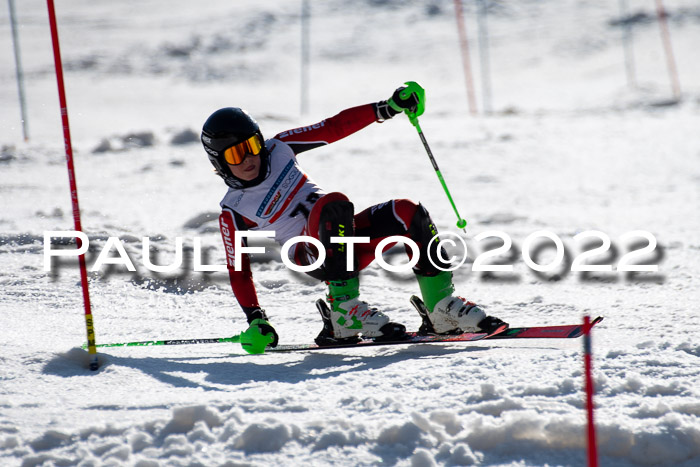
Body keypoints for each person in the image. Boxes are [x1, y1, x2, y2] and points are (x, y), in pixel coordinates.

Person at [200, 83, 507, 353]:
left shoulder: (280, 148)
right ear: (220, 161)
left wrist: (386, 108)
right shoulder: (234, 209)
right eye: (235, 155)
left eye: (252, 146)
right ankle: (343, 310)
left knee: (407, 211)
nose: (249, 158)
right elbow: (239, 271)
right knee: (332, 205)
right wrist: (256, 320)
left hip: (343, 236)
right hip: (314, 255)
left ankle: (440, 307)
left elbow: (333, 127)